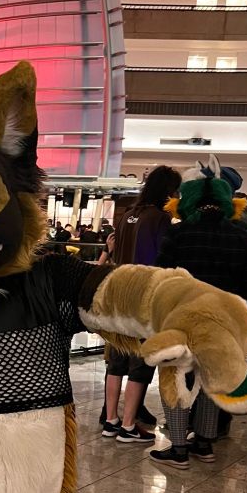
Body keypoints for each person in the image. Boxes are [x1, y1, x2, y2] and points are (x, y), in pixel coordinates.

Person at [150, 169, 247, 469]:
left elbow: (161, 276)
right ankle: (204, 443)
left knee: (175, 377)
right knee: (212, 380)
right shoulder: (239, 235)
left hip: (180, 320)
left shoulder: (179, 233)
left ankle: (179, 447)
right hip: (222, 322)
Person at [100, 165, 182, 442]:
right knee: (140, 364)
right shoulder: (159, 219)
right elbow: (163, 260)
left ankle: (110, 421)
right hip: (144, 300)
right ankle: (128, 425)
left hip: (118, 298)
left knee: (116, 362)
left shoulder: (126, 216)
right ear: (168, 191)